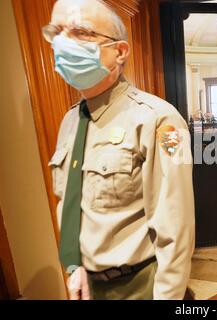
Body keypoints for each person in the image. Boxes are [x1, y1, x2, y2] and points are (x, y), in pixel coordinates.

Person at [43, 0, 195, 300]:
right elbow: (72, 203)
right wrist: (75, 268)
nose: (62, 42)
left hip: (139, 285)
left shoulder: (159, 120)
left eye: (81, 32)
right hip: (87, 283)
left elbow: (175, 231)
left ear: (120, 51)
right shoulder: (69, 120)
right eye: (56, 32)